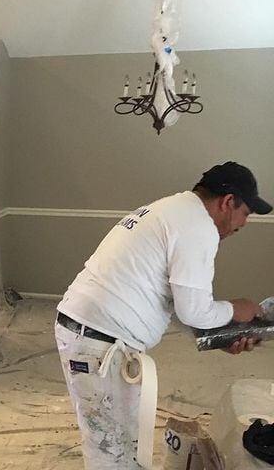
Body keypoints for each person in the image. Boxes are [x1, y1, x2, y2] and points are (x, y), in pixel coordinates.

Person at [55, 161, 272, 469]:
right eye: (246, 213)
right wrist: (238, 308)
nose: (244, 224)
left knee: (122, 441)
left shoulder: (174, 210)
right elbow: (195, 309)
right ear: (228, 202)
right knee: (110, 450)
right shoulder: (197, 227)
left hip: (92, 333)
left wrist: (218, 337)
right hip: (98, 343)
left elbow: (174, 303)